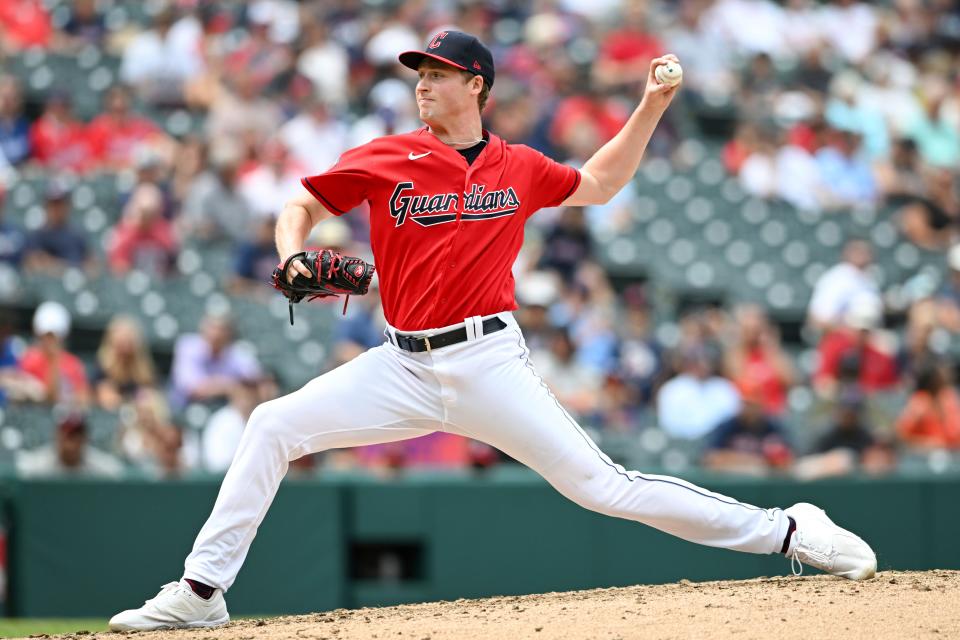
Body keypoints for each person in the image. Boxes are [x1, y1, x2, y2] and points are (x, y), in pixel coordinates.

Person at [109, 32, 876, 632]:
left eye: (438, 72)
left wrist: (649, 106)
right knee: (271, 423)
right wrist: (289, 253)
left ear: (476, 84)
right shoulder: (387, 157)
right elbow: (299, 207)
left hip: (487, 360)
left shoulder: (519, 166)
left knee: (603, 487)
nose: (422, 82)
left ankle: (788, 531)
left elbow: (601, 184)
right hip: (400, 364)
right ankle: (202, 591)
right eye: (419, 72)